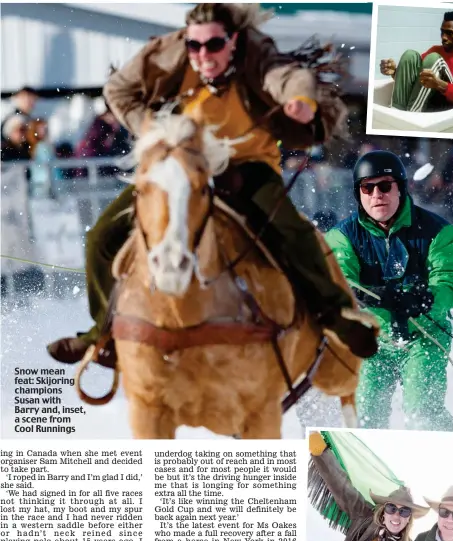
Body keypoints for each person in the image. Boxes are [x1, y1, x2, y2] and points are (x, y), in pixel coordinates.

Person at [46, 3, 378, 368]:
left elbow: (287, 77)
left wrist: (299, 101)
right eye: (195, 46)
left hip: (248, 166)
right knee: (101, 238)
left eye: (214, 45)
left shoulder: (255, 53)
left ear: (233, 40)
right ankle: (103, 333)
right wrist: (152, 129)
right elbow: (119, 89)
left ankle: (336, 317)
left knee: (292, 231)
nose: (203, 55)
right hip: (186, 164)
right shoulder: (172, 54)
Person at [325, 151, 453, 432]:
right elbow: (338, 277)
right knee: (364, 418)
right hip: (371, 339)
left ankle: (447, 462)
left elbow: (452, 280)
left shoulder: (439, 232)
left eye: (385, 186)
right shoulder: (342, 236)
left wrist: (426, 298)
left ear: (401, 188)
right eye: (368, 187)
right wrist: (371, 295)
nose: (376, 194)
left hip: (424, 337)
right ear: (359, 193)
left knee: (423, 416)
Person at [309, 431, 429, 541]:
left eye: (404, 511)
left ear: (409, 519)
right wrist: (321, 453)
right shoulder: (365, 519)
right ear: (384, 512)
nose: (396, 515)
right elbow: (343, 488)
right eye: (392, 508)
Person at [379, 11, 453, 112]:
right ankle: (397, 110)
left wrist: (438, 84)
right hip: (428, 101)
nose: (444, 37)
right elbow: (414, 78)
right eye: (442, 32)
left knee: (433, 58)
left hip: (451, 106)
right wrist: (395, 72)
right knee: (410, 55)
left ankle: (413, 113)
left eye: (450, 33)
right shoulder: (436, 49)